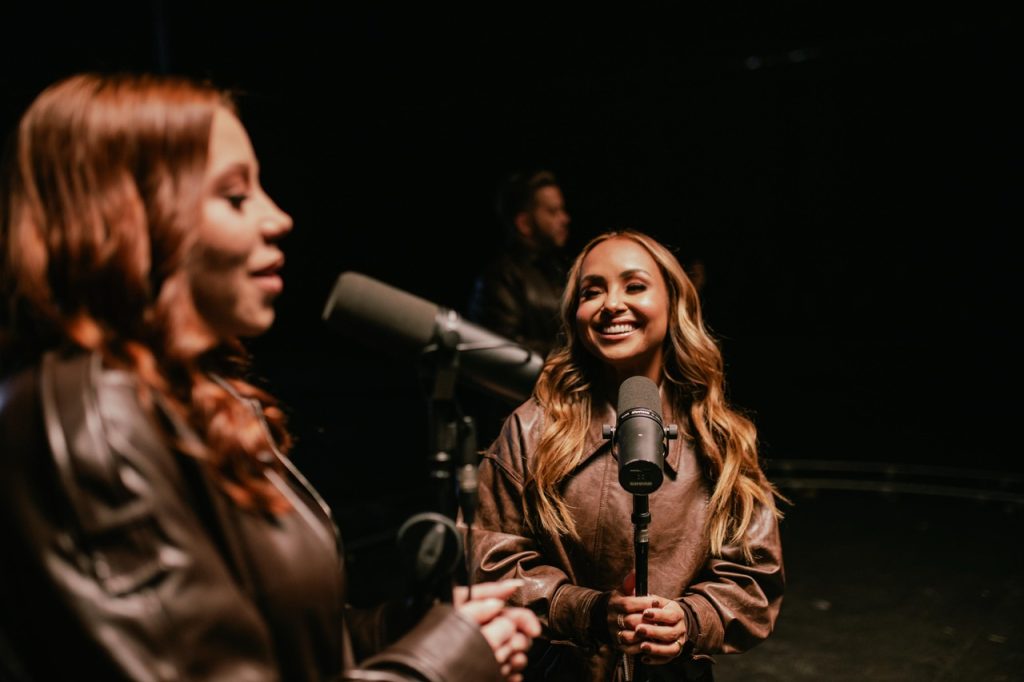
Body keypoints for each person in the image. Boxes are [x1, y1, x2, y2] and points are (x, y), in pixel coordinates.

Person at [0, 72, 540, 682]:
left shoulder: (191, 394)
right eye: (234, 197)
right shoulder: (92, 420)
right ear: (131, 218)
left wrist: (418, 630)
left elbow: (280, 642)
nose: (278, 217)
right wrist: (439, 666)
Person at [466, 230, 785, 681]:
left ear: (673, 304)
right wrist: (586, 610)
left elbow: (752, 579)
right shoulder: (532, 427)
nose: (611, 303)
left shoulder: (719, 437)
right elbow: (488, 556)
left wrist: (691, 619)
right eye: (591, 291)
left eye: (634, 286)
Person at [467, 169, 571, 360]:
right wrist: (572, 355)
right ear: (524, 223)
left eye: (562, 210)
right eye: (553, 212)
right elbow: (501, 348)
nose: (564, 219)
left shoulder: (559, 270)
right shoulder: (501, 276)